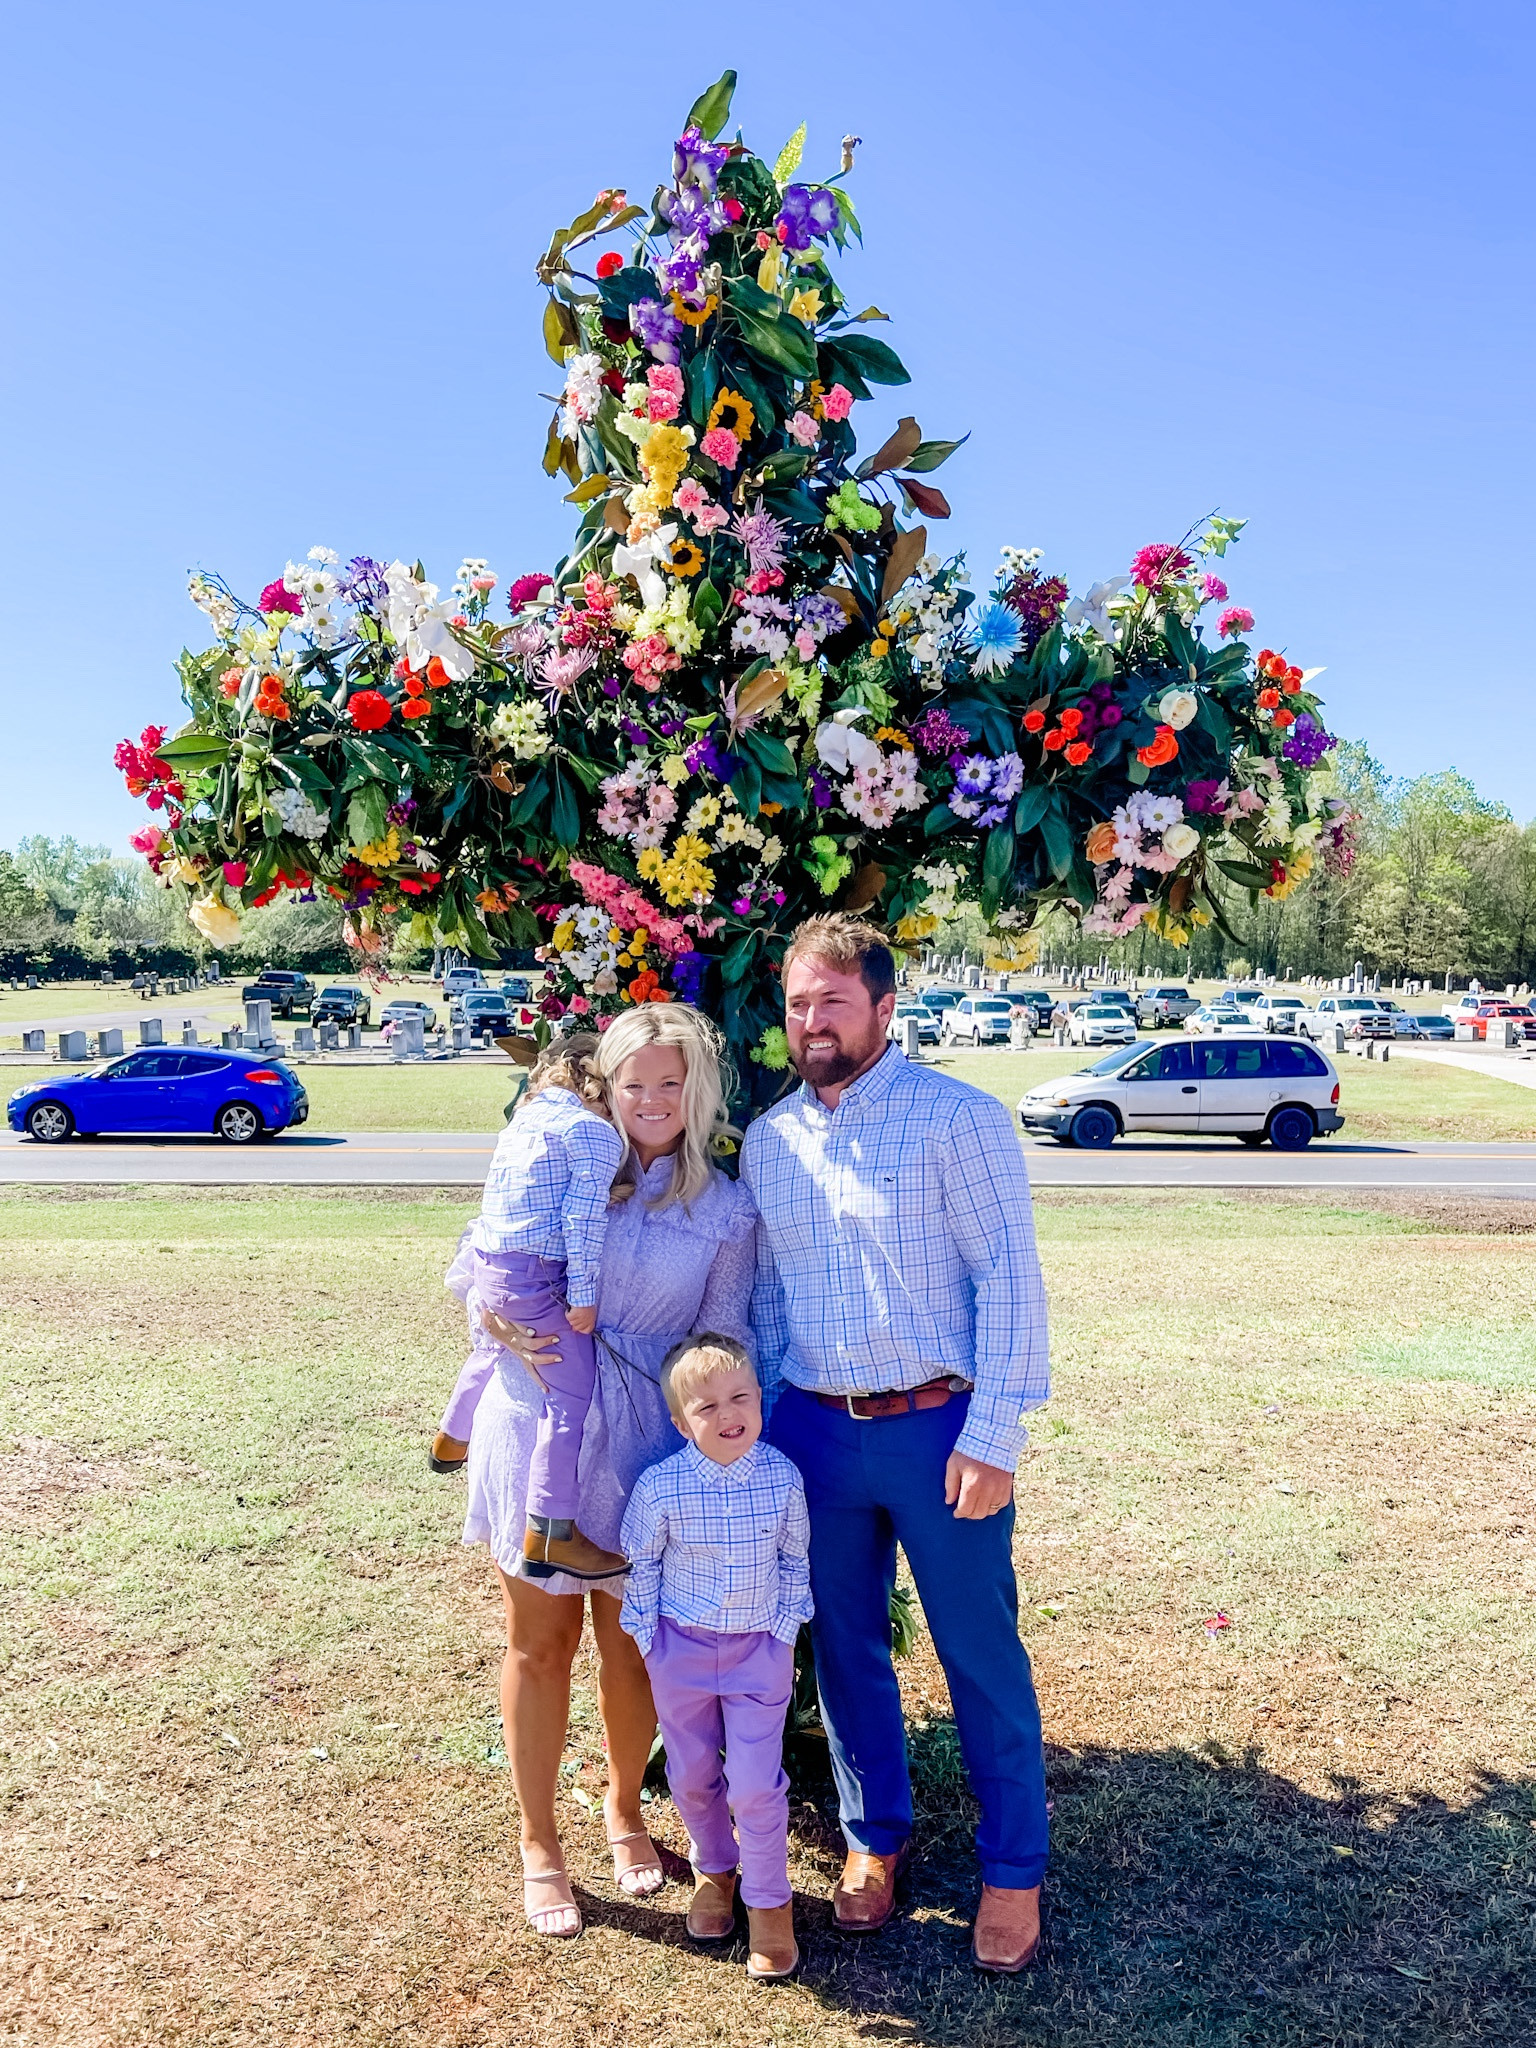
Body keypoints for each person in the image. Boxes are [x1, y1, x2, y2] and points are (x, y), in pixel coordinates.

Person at [742, 912, 1052, 1975]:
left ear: (883, 1006)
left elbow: (1008, 1275)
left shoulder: (957, 1119)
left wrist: (996, 1432)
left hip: (938, 1428)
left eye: (833, 1000)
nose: (812, 1021)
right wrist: (765, 1429)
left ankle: (1013, 1867)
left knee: (978, 1649)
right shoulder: (771, 1141)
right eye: (798, 1003)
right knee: (844, 1648)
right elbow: (769, 1299)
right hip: (813, 1430)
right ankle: (875, 1835)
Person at [460, 1005, 758, 1939]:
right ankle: (538, 1842)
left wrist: (712, 1441)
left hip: (647, 1448)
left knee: (632, 1644)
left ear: (700, 1091)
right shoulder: (563, 1158)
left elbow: (727, 1333)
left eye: (675, 1082)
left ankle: (624, 1807)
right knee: (538, 1643)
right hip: (538, 1419)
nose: (654, 1100)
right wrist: (488, 1313)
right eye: (637, 1082)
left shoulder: (724, 1209)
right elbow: (481, 1257)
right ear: (609, 1084)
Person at [619, 1334, 811, 1981]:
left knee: (755, 1785)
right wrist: (649, 1640)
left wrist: (783, 1631)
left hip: (760, 1650)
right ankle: (715, 1868)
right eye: (707, 1407)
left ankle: (770, 1901)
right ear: (681, 1422)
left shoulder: (782, 1478)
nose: (729, 1415)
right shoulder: (660, 1487)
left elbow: (794, 1558)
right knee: (693, 1775)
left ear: (759, 1400)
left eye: (741, 1398)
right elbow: (643, 1565)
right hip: (681, 1651)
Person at [458, 1033, 627, 1583]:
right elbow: (581, 1220)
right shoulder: (592, 1132)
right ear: (601, 1086)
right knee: (570, 1393)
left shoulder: (525, 1122)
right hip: (539, 1278)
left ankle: (452, 1434)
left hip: (497, 1267)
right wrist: (584, 1296)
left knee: (496, 1345)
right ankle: (551, 1529)